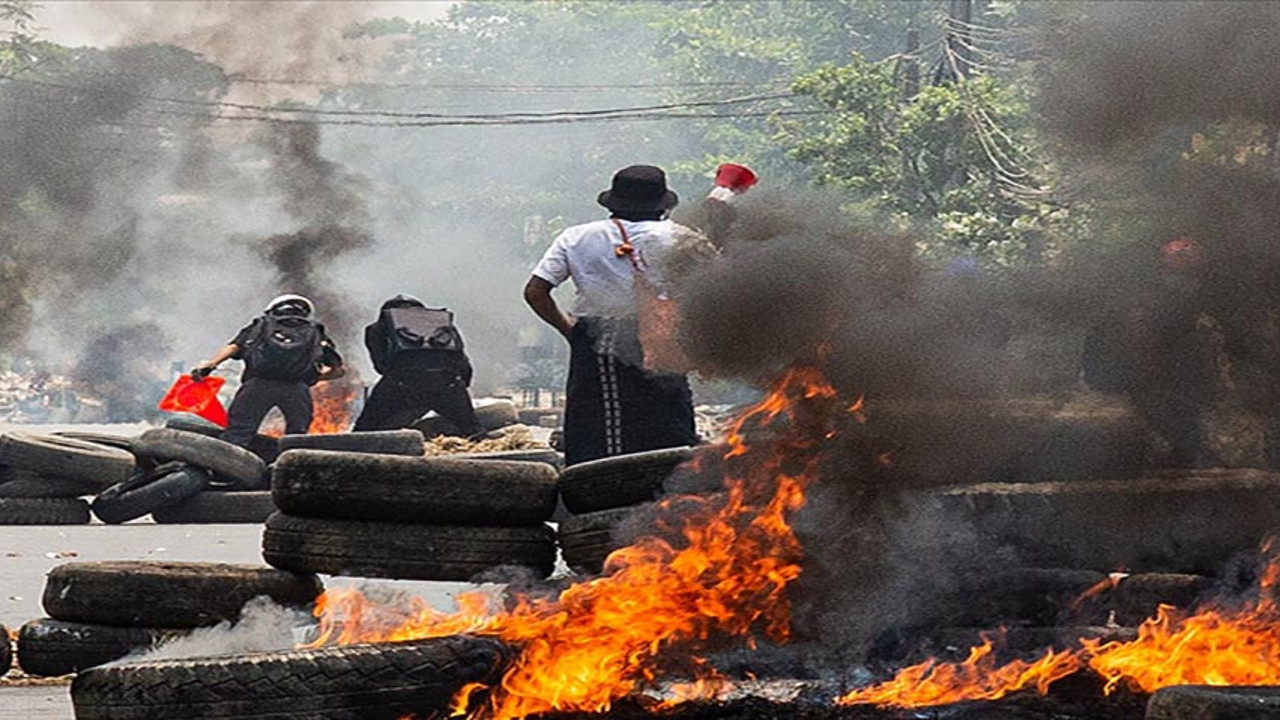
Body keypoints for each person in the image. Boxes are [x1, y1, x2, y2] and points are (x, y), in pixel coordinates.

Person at [523, 164, 699, 465]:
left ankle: (595, 486)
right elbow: (711, 294)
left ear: (613, 202)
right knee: (667, 419)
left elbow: (535, 292)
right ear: (662, 204)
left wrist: (570, 331)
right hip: (664, 338)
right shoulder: (684, 238)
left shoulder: (576, 237)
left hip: (597, 341)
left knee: (599, 426)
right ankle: (669, 486)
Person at [1082, 238, 1219, 467]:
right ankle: (1186, 450)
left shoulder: (1204, 287)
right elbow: (1137, 320)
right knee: (1151, 401)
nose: (1179, 259)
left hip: (1181, 358)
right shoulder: (1152, 286)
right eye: (1174, 255)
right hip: (1156, 355)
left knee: (1180, 405)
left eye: (1185, 255)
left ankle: (1191, 451)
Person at [190, 294, 344, 447]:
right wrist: (311, 378)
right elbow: (338, 371)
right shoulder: (316, 331)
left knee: (238, 433)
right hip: (297, 389)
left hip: (257, 385)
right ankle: (290, 462)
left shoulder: (261, 325)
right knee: (296, 438)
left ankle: (225, 462)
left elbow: (234, 347)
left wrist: (212, 363)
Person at [352, 294, 484, 436]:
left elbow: (381, 366)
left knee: (363, 432)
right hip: (448, 383)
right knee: (474, 432)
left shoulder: (377, 328)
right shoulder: (443, 325)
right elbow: (463, 364)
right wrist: (457, 389)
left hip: (401, 383)